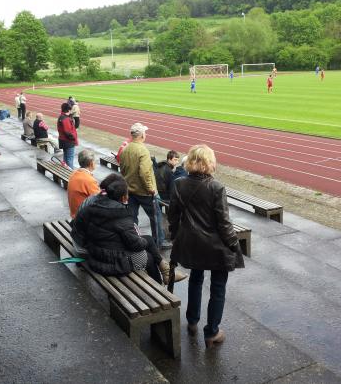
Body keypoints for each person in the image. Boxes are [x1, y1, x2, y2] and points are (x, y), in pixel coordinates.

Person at [168, 144, 244, 348]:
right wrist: (234, 244)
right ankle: (211, 332)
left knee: (196, 279)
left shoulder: (179, 183)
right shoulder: (216, 187)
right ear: (207, 163)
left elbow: (173, 215)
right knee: (218, 288)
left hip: (191, 242)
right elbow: (224, 223)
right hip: (214, 245)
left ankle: (192, 321)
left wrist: (176, 237)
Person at [73, 175, 186, 285]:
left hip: (97, 250)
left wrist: (143, 240)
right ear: (122, 197)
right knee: (148, 257)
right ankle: (160, 291)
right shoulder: (119, 214)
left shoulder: (95, 203)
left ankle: (166, 272)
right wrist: (142, 241)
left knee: (149, 240)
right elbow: (136, 245)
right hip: (106, 260)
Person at [119, 123, 169, 249]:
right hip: (145, 192)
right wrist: (150, 189)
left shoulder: (126, 149)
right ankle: (159, 242)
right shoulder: (143, 150)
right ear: (141, 135)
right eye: (145, 133)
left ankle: (132, 240)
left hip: (130, 190)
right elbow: (144, 172)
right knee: (156, 217)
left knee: (132, 218)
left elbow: (123, 168)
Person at [67, 149, 100, 219]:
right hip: (84, 219)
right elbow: (100, 200)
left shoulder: (75, 174)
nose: (96, 163)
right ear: (91, 163)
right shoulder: (88, 180)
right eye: (95, 161)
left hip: (75, 215)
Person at [57, 103, 78, 168]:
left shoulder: (62, 117)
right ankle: (69, 175)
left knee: (66, 158)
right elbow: (68, 132)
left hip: (63, 141)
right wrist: (74, 138)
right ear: (68, 110)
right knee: (69, 160)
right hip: (68, 142)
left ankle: (65, 173)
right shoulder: (65, 119)